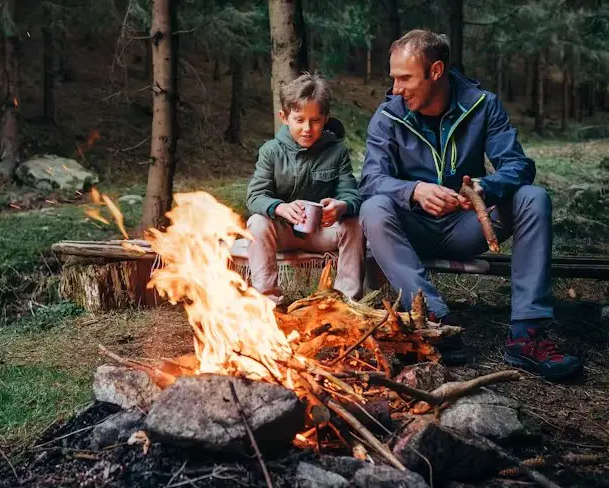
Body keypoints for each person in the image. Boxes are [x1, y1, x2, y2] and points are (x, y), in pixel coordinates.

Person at [359, 29, 582, 380]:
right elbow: (370, 180)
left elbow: (519, 166)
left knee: (533, 198)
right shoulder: (388, 116)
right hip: (409, 229)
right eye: (394, 78)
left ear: (435, 71)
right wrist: (414, 190)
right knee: (373, 208)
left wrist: (483, 187)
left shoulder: (482, 105)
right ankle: (434, 321)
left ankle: (527, 334)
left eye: (405, 78)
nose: (396, 88)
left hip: (469, 226)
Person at [246, 73, 364, 307]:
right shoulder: (271, 151)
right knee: (257, 223)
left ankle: (347, 303)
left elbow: (352, 195)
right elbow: (254, 197)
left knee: (355, 224)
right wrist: (279, 208)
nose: (307, 129)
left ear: (325, 119)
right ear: (284, 117)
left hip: (322, 232)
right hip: (283, 233)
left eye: (315, 120)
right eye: (299, 120)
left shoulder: (336, 151)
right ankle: (268, 302)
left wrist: (342, 206)